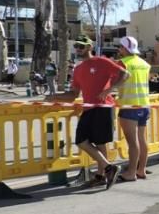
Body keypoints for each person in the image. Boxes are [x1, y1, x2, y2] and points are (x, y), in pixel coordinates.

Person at [48, 34, 128, 188]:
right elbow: (73, 95)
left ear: (89, 47)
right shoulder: (77, 69)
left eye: (81, 46)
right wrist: (54, 97)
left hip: (103, 107)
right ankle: (107, 169)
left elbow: (125, 74)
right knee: (83, 141)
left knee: (98, 143)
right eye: (76, 46)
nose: (77, 49)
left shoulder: (102, 61)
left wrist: (109, 90)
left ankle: (101, 175)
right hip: (89, 108)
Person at [114, 36, 151, 183]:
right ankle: (141, 170)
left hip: (129, 105)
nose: (119, 50)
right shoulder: (145, 64)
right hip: (144, 104)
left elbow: (116, 82)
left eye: (120, 47)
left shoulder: (122, 63)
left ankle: (131, 173)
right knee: (142, 139)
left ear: (124, 48)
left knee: (132, 142)